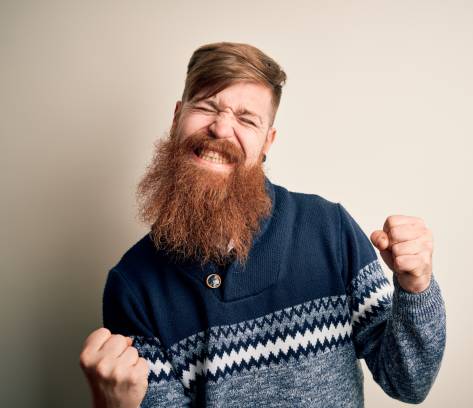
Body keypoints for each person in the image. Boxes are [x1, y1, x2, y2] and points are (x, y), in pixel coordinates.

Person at [79, 41, 446, 408]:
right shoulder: (133, 285)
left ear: (267, 141)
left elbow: (408, 381)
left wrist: (416, 287)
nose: (221, 128)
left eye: (246, 119)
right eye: (207, 106)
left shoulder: (329, 229)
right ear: (176, 117)